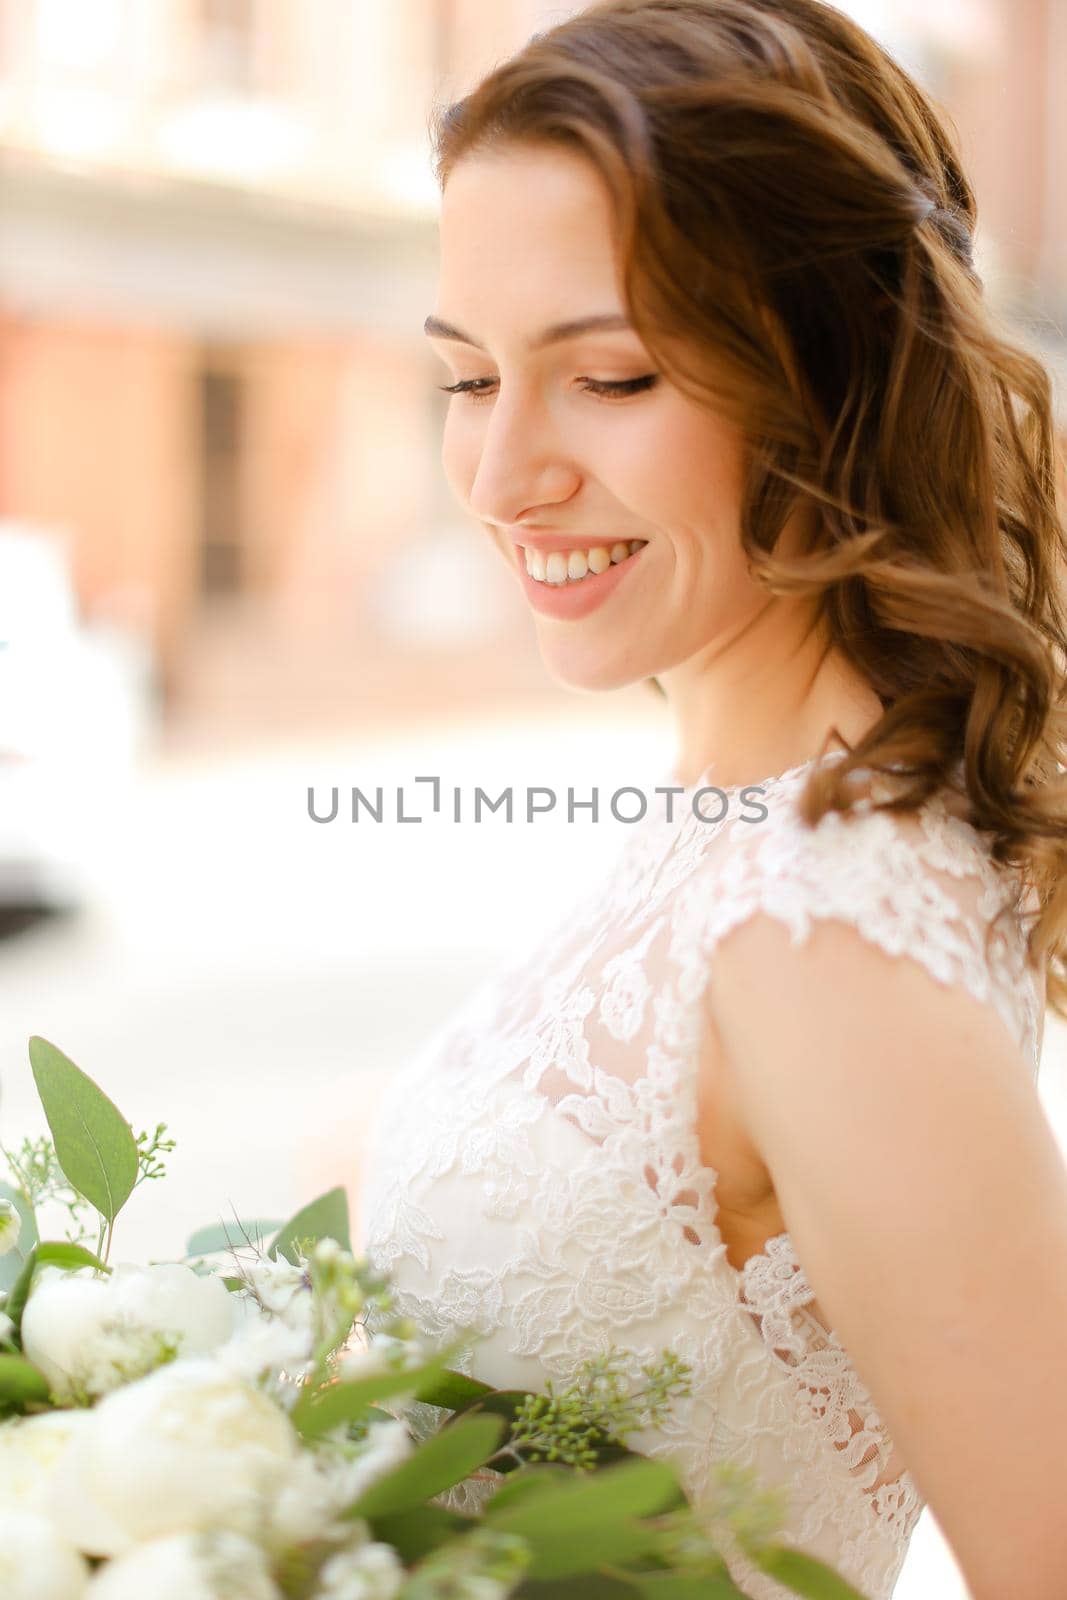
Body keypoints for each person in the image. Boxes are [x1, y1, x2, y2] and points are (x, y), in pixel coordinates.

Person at [358, 3, 1067, 1595]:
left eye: (606, 377)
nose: (498, 474)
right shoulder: (728, 821)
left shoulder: (824, 923)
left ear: (828, 382)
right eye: (471, 377)